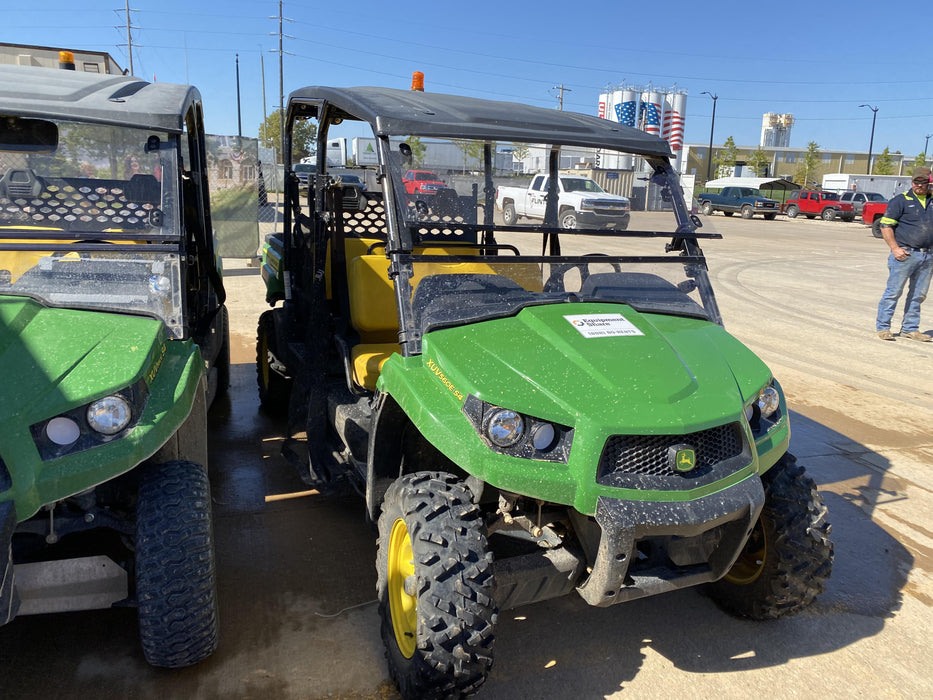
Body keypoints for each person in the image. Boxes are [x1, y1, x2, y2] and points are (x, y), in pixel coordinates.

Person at [876, 166, 933, 341]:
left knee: (918, 295)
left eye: (923, 182)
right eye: (916, 182)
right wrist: (895, 248)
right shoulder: (900, 201)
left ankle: (910, 328)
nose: (919, 185)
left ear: (929, 183)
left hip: (928, 256)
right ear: (912, 182)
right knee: (893, 292)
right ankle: (883, 327)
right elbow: (886, 226)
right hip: (905, 255)